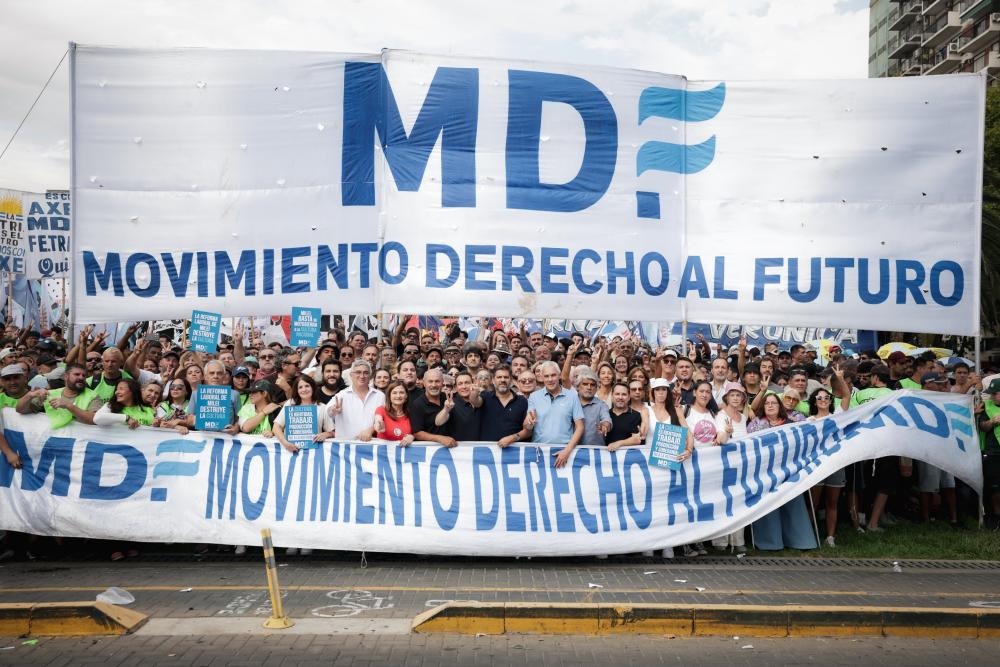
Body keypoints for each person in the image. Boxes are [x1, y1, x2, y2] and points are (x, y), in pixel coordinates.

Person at [747, 393, 818, 551]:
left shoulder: (790, 423)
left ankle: (799, 541)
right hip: (764, 472)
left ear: (780, 406)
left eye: (774, 403)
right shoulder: (755, 424)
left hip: (788, 470)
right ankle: (771, 542)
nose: (770, 406)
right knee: (768, 505)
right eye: (767, 403)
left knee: (792, 503)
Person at [915, 372, 958, 527]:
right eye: (938, 383)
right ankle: (926, 519)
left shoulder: (943, 398)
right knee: (928, 485)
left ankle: (954, 519)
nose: (942, 386)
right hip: (927, 449)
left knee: (949, 484)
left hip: (945, 447)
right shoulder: (917, 399)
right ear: (927, 384)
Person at [524, 361, 584, 468]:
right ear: (542, 377)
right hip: (538, 451)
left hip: (564, 451)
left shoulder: (572, 396)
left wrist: (567, 451)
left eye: (553, 375)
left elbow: (580, 427)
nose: (550, 379)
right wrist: (528, 423)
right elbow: (528, 427)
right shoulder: (534, 397)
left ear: (559, 375)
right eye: (546, 376)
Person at [712, 381, 749, 553]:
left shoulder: (743, 417)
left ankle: (738, 540)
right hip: (724, 464)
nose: (735, 398)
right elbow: (720, 440)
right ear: (726, 397)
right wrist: (726, 432)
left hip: (741, 464)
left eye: (738, 395)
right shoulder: (720, 416)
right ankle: (720, 540)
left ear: (743, 398)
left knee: (739, 502)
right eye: (732, 395)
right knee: (723, 501)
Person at [807, 387, 845, 547]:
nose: (823, 400)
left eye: (826, 397)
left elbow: (846, 396)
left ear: (830, 401)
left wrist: (840, 378)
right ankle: (807, 536)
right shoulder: (809, 421)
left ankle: (830, 537)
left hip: (835, 464)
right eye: (819, 398)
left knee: (832, 502)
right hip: (817, 464)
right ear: (814, 402)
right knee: (813, 503)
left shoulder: (838, 417)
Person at [16, 362, 101, 428]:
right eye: (77, 374)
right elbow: (20, 410)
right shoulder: (51, 394)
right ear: (66, 376)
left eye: (84, 375)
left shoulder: (93, 395)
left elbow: (95, 419)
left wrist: (69, 406)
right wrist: (30, 395)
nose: (81, 377)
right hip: (54, 440)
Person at [274, 375, 335, 454]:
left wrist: (326, 434)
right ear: (297, 391)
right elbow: (276, 427)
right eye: (300, 387)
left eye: (307, 386)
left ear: (312, 387)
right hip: (289, 451)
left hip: (313, 452)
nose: (304, 389)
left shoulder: (322, 407)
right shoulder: (290, 404)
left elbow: (333, 432)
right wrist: (285, 443)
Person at [328, 360, 384, 442]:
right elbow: (328, 411)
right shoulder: (342, 395)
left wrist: (372, 429)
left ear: (370, 376)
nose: (362, 376)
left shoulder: (380, 396)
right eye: (358, 372)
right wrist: (333, 410)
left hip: (372, 445)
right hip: (346, 446)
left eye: (366, 373)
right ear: (351, 375)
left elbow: (386, 420)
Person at [479, 365, 530, 447]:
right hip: (487, 452)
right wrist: (474, 393)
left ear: (511, 380)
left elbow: (528, 431)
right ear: (493, 380)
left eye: (506, 377)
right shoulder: (484, 397)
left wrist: (513, 438)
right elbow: (475, 402)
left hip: (514, 451)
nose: (502, 380)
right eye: (499, 377)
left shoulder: (522, 401)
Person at [408, 367, 458, 447]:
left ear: (442, 383)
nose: (434, 385)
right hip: (429, 451)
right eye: (430, 381)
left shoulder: (448, 399)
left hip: (453, 448)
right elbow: (417, 433)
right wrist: (440, 439)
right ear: (424, 383)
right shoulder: (417, 404)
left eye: (437, 381)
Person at [978, 379, 1000, 530]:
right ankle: (996, 518)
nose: (991, 397)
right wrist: (992, 422)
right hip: (993, 452)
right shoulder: (986, 406)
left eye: (994, 394)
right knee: (995, 489)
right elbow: (982, 426)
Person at [576, 367, 611, 447]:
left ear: (596, 388)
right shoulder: (570, 403)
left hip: (595, 451)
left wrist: (605, 426)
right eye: (585, 384)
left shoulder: (601, 405)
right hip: (571, 451)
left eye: (592, 385)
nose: (589, 387)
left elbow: (606, 420)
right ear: (578, 386)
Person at [373, 381, 415, 446]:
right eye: (394, 393)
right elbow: (378, 421)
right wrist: (379, 425)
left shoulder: (411, 413)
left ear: (406, 395)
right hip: (383, 451)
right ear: (389, 396)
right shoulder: (381, 410)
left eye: (401, 392)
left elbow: (415, 433)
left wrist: (411, 437)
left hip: (403, 451)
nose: (398, 396)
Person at [605, 383, 643, 450]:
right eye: (617, 394)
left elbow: (637, 439)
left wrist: (619, 443)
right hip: (606, 455)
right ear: (612, 396)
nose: (620, 397)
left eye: (624, 394)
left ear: (629, 397)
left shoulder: (636, 415)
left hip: (628, 455)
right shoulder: (606, 415)